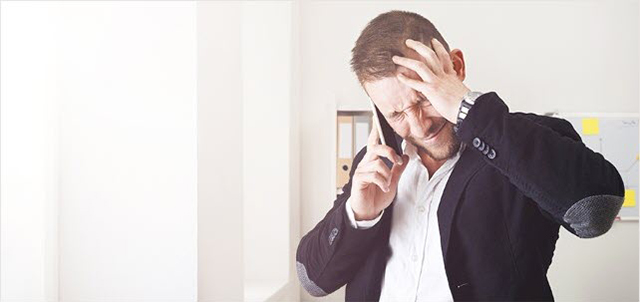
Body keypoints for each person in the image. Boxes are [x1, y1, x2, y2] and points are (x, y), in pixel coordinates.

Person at [295, 10, 625, 302]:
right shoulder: (375, 163)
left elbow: (595, 211)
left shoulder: (521, 139)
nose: (418, 125)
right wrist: (359, 214)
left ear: (456, 66)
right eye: (395, 114)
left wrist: (472, 111)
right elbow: (313, 280)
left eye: (423, 99)